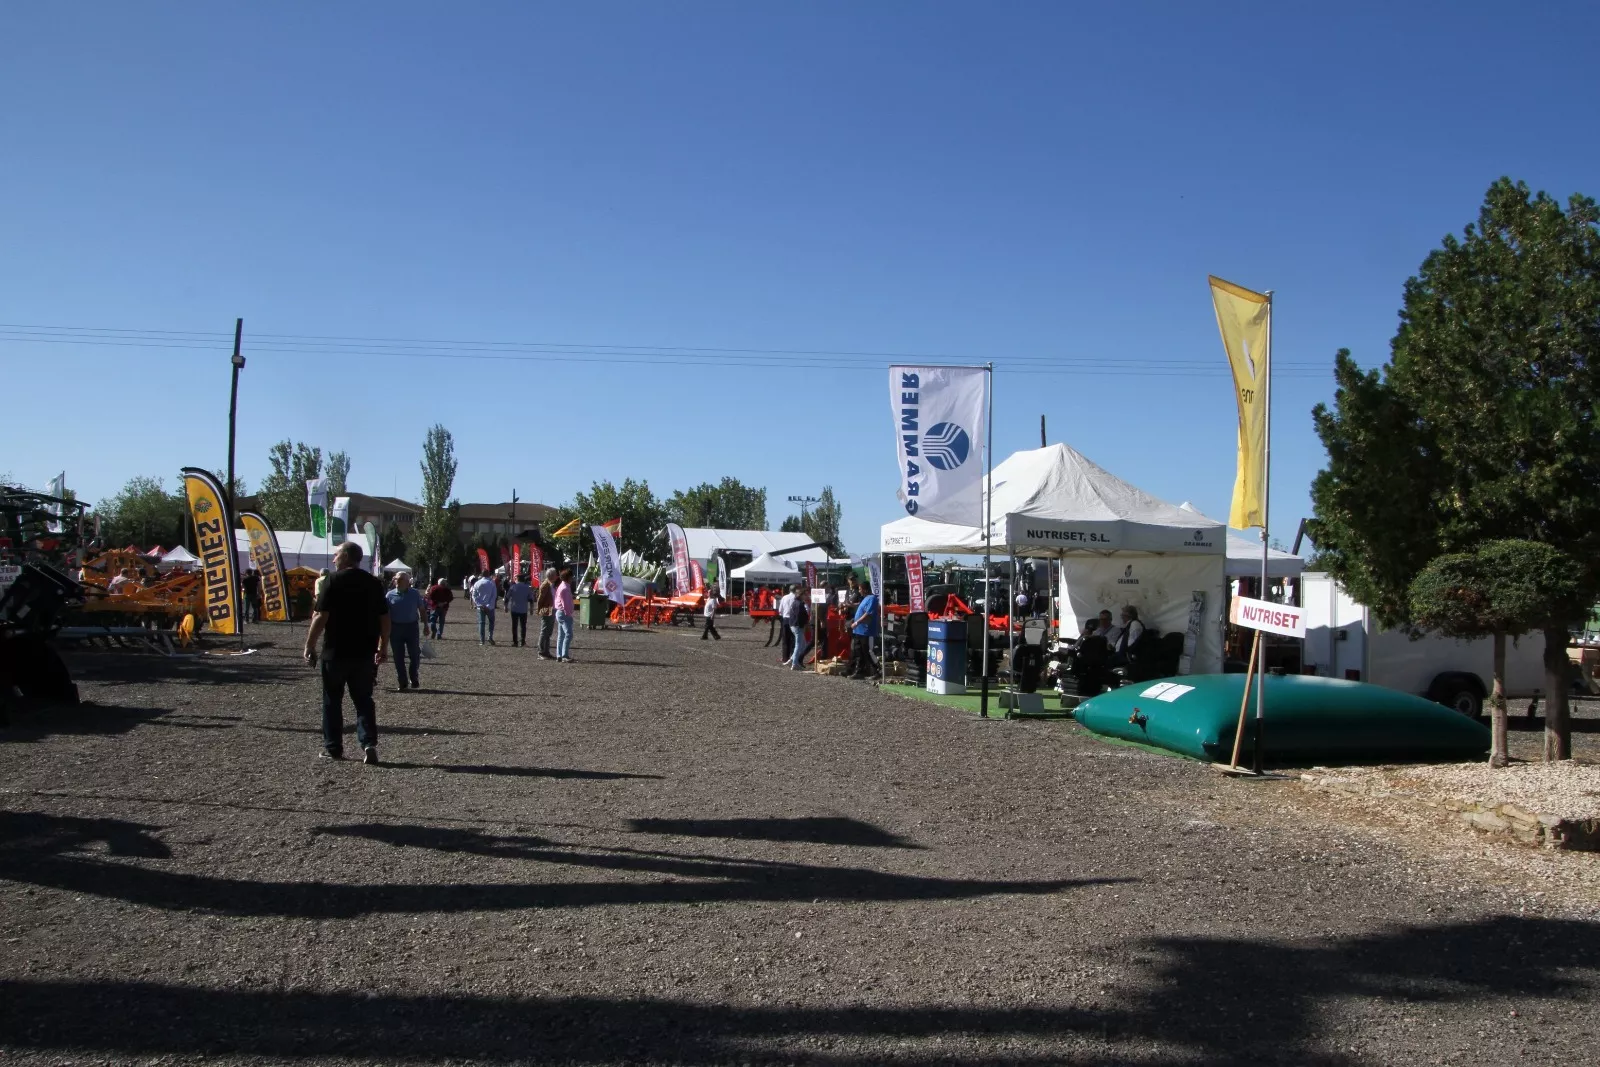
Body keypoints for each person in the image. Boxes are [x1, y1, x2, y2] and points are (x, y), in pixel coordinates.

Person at [303, 541, 389, 765]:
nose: (333, 559)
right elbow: (384, 618)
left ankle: (333, 748)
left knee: (332, 701)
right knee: (364, 700)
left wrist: (309, 645)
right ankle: (368, 743)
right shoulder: (374, 583)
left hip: (335, 652)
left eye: (336, 555)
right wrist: (383, 645)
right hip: (363, 654)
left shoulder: (332, 580)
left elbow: (320, 616)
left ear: (347, 557)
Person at [386, 571, 425, 690]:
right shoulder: (389, 595)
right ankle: (402, 682)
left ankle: (414, 677)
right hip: (395, 628)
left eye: (400, 579)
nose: (396, 581)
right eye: (396, 579)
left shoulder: (415, 594)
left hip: (411, 627)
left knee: (415, 654)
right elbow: (386, 615)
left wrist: (426, 625)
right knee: (398, 656)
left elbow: (422, 609)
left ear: (408, 582)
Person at [847, 580, 880, 679]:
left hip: (867, 630)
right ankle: (859, 671)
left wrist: (857, 622)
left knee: (868, 651)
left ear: (865, 590)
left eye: (860, 589)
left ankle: (878, 670)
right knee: (859, 652)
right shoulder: (865, 598)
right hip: (858, 630)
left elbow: (868, 613)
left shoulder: (872, 599)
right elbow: (860, 608)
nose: (859, 591)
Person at [505, 569, 535, 646]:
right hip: (523, 609)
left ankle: (515, 642)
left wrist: (506, 607)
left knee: (514, 626)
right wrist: (531, 609)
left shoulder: (513, 587)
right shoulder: (527, 588)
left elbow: (507, 597)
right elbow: (531, 599)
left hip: (514, 609)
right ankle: (522, 641)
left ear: (517, 579)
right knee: (523, 626)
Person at [554, 567, 576, 662]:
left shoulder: (562, 586)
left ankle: (559, 654)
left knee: (561, 635)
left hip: (560, 612)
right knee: (569, 634)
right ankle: (564, 655)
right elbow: (565, 603)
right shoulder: (565, 588)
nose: (572, 578)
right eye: (571, 577)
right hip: (564, 613)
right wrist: (569, 613)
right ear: (568, 577)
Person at [471, 571, 499, 645]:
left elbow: (474, 595)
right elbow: (494, 596)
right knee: (491, 622)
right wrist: (488, 606)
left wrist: (479, 604)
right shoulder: (492, 583)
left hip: (480, 607)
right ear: (488, 574)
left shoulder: (477, 583)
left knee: (481, 623)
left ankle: (481, 640)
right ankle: (490, 637)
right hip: (490, 607)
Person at [536, 566, 557, 659]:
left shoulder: (552, 584)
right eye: (555, 574)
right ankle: (541, 652)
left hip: (552, 610)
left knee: (548, 632)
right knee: (544, 631)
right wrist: (540, 610)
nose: (557, 576)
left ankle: (546, 651)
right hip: (546, 610)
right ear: (552, 575)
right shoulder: (545, 585)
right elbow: (540, 599)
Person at [788, 584, 811, 671]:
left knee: (803, 644)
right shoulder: (799, 604)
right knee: (799, 645)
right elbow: (799, 617)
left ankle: (792, 660)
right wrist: (805, 625)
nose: (806, 596)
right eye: (805, 594)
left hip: (794, 625)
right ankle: (794, 663)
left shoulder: (795, 602)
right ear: (801, 595)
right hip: (798, 626)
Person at [776, 583, 798, 664]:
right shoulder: (796, 598)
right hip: (793, 620)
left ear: (789, 590)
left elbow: (780, 610)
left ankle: (785, 657)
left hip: (785, 619)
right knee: (794, 639)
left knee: (785, 639)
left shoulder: (784, 597)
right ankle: (793, 657)